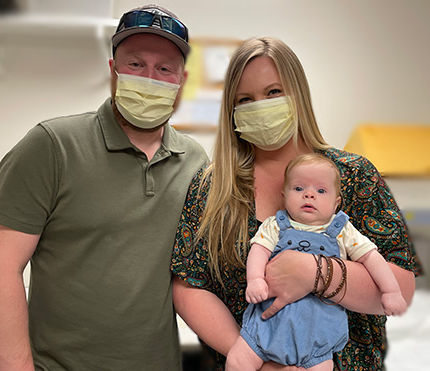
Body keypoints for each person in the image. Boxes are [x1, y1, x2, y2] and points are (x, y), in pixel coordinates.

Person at [0, 4, 208, 371]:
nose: (149, 78)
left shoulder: (196, 161)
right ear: (113, 70)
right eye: (135, 64)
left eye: (164, 68)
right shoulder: (51, 147)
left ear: (181, 81)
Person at [171, 36, 419, 371]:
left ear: (297, 93)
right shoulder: (213, 188)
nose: (260, 106)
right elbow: (189, 286)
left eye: (273, 92)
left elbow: (401, 288)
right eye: (245, 99)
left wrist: (315, 273)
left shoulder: (354, 176)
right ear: (231, 111)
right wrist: (254, 355)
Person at [226, 153, 407, 371]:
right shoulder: (276, 225)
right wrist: (255, 279)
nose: (309, 195)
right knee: (237, 361)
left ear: (336, 203)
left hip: (317, 338)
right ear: (284, 195)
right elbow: (259, 250)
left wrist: (391, 291)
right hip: (266, 327)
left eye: (321, 191)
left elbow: (372, 257)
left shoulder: (343, 231)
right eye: (299, 189)